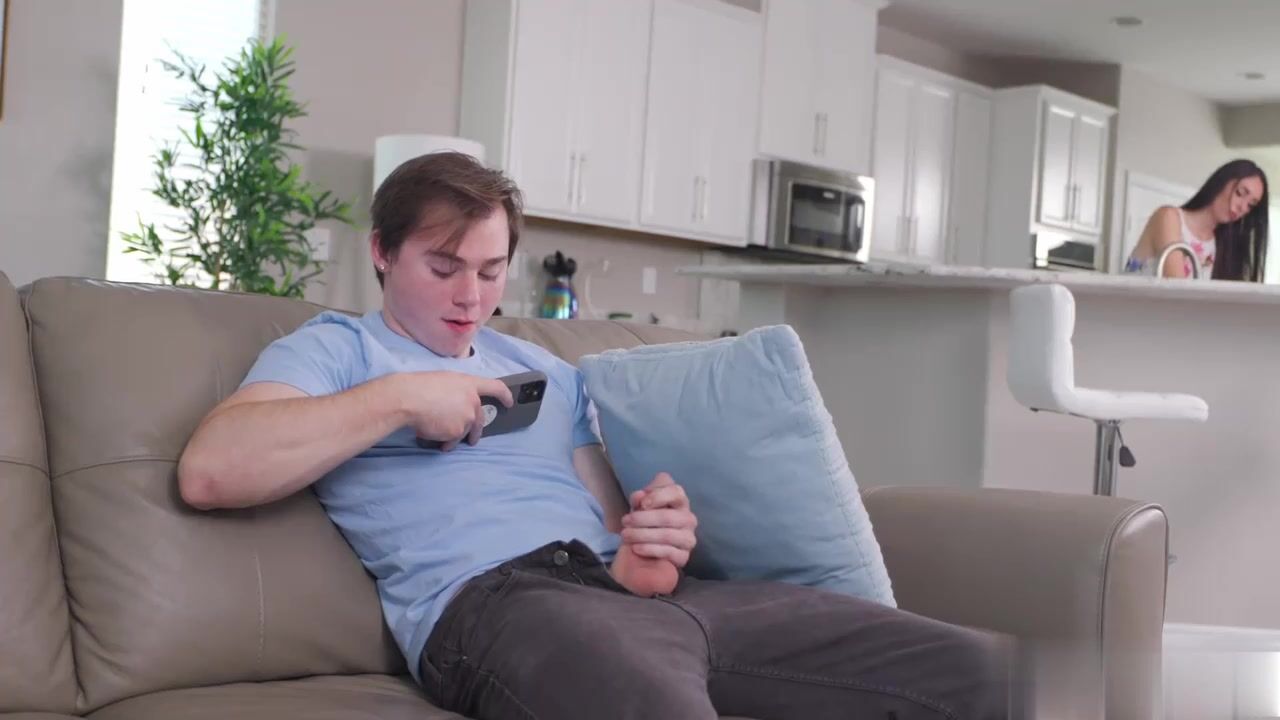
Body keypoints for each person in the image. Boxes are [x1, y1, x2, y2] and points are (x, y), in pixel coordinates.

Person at [177, 151, 1010, 719]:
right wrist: (399, 399)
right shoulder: (337, 351)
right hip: (496, 607)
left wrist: (654, 546)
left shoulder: (546, 368)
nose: (471, 297)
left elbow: (616, 530)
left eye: (491, 271)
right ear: (383, 254)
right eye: (443, 267)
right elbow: (212, 470)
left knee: (971, 671)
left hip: (638, 598)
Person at [1123, 159, 1269, 281]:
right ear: (1222, 181)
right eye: (1240, 193)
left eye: (1251, 205)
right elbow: (1178, 291)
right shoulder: (1169, 217)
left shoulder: (1222, 246)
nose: (1242, 207)